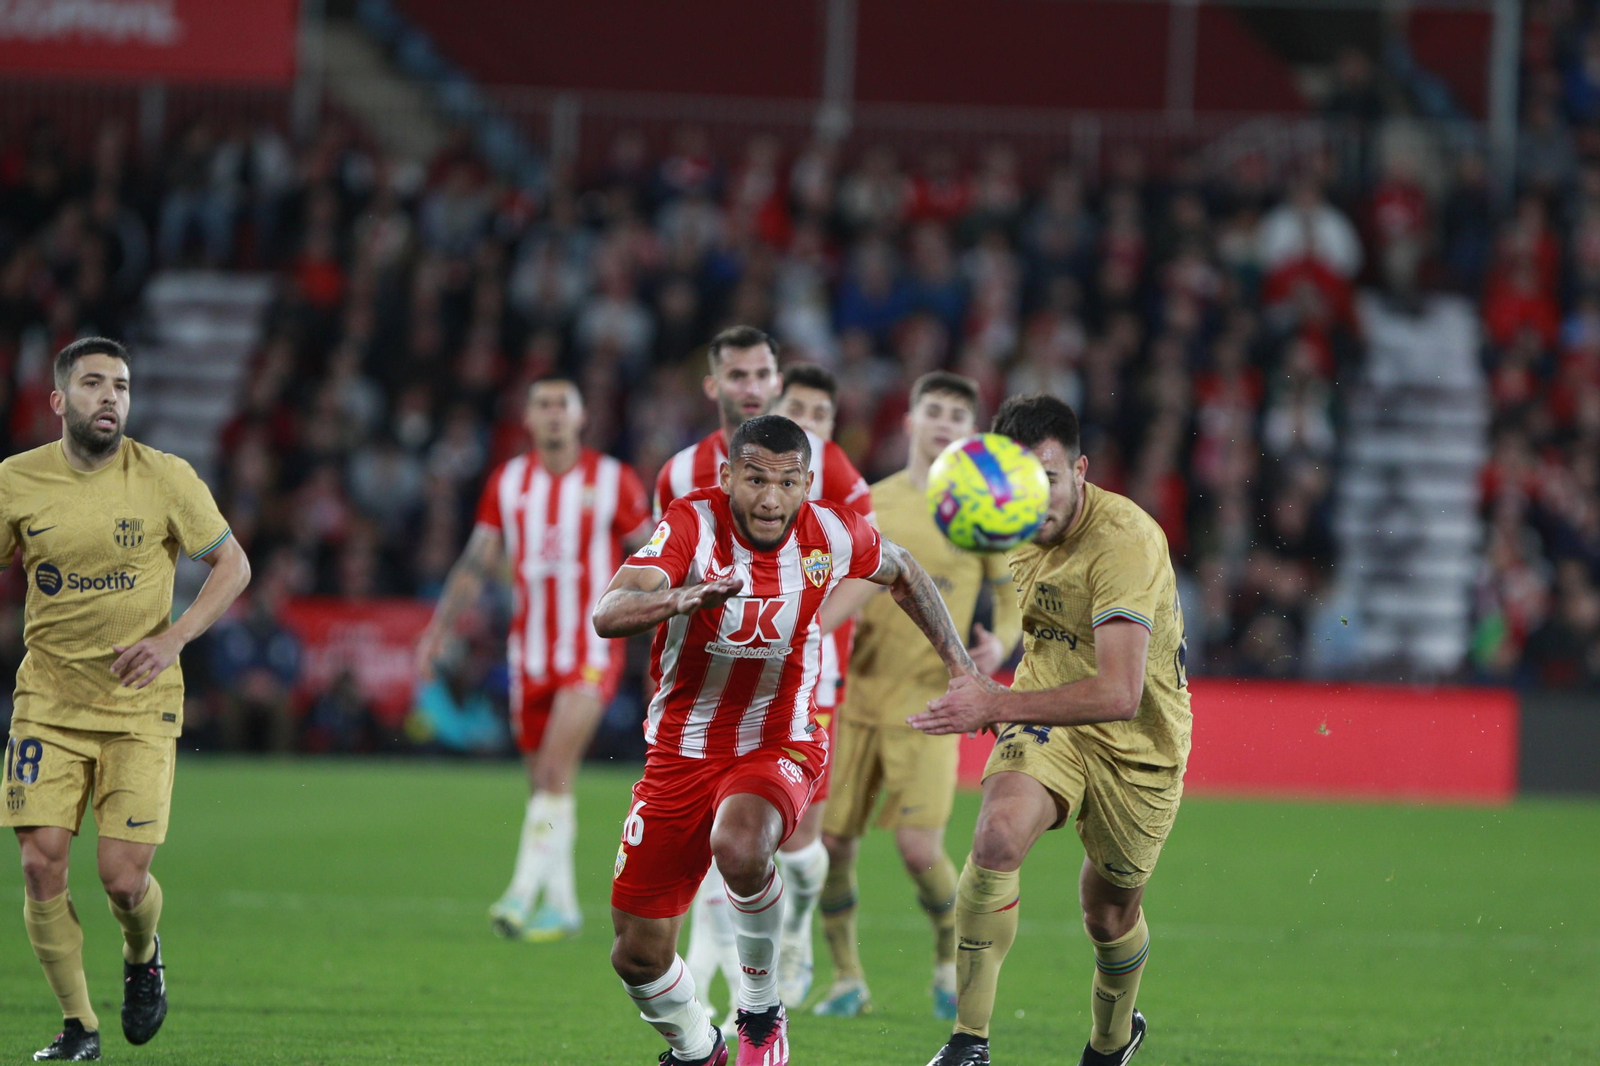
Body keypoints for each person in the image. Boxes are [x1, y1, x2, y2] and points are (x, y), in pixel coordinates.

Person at [595, 414, 982, 1066]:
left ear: (806, 483)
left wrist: (962, 668)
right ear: (728, 477)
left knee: (741, 844)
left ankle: (762, 1011)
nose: (770, 498)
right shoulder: (693, 524)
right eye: (754, 480)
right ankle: (699, 1050)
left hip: (781, 738)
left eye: (787, 482)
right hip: (680, 752)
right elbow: (609, 611)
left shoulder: (829, 531)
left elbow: (905, 570)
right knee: (636, 954)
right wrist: (682, 598)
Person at [913, 394, 1190, 1066]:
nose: (1040, 500)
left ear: (1082, 469)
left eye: (1053, 479)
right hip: (1045, 712)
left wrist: (992, 704)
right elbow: (1028, 613)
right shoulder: (1011, 523)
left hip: (1140, 745)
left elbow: (1121, 694)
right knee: (996, 836)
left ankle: (1111, 1040)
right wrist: (991, 658)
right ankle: (967, 1043)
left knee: (1108, 915)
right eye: (1025, 484)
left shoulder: (1122, 542)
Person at [2, 337, 252, 1061]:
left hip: (139, 706)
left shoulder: (165, 477)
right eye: (92, 384)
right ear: (59, 401)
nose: (110, 397)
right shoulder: (15, 482)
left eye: (121, 385)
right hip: (46, 701)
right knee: (40, 863)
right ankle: (79, 1026)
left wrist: (173, 639)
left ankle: (143, 952)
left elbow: (232, 565)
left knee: (121, 877)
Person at [658, 329, 873, 1014]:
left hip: (804, 680)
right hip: (710, 689)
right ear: (714, 384)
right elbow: (663, 584)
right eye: (738, 374)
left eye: (762, 374)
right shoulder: (681, 471)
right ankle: (725, 976)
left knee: (800, 841)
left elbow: (873, 567)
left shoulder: (822, 466)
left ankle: (797, 935)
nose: (752, 386)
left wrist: (807, 623)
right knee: (730, 839)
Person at [810, 372, 1021, 1019]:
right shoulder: (868, 503)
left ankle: (943, 956)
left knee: (919, 848)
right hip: (854, 702)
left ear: (972, 433)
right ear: (908, 421)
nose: (943, 423)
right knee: (831, 847)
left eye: (958, 415)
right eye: (933, 410)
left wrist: (1000, 647)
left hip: (932, 707)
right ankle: (846, 975)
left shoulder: (983, 508)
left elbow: (1012, 598)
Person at [416, 377, 652, 940]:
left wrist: (663, 619)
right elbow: (477, 562)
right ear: (526, 418)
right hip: (530, 652)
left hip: (590, 645)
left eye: (561, 405)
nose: (551, 415)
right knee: (547, 783)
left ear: (581, 417)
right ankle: (565, 905)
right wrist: (437, 629)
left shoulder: (612, 479)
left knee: (551, 769)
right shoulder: (509, 481)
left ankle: (520, 894)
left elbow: (652, 553)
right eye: (541, 404)